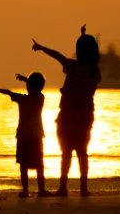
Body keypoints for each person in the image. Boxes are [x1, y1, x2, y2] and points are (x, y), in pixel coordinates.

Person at [32, 25, 100, 197]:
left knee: (66, 152)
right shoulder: (95, 71)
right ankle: (83, 188)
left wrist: (41, 48)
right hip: (85, 115)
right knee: (82, 152)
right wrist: (83, 35)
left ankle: (63, 187)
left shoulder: (72, 66)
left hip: (68, 114)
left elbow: (57, 56)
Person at [0, 72, 51, 198]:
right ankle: (41, 190)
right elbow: (34, 88)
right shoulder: (40, 98)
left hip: (23, 136)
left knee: (24, 165)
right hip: (36, 136)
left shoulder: (22, 99)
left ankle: (26, 191)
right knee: (39, 165)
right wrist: (26, 80)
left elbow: (8, 92)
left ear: (29, 86)